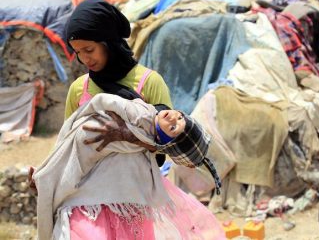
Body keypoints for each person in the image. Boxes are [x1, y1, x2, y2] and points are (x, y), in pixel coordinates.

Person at [32, 93, 224, 240]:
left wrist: (134, 138)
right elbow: (99, 104)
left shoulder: (143, 144)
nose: (174, 119)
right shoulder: (142, 111)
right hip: (88, 190)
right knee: (54, 176)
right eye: (180, 118)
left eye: (173, 129)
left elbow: (148, 143)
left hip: (120, 204)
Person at [64, 0, 172, 166]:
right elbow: (66, 144)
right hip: (91, 189)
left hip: (138, 187)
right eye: (78, 52)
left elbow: (171, 143)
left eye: (89, 49)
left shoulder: (149, 82)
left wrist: (127, 136)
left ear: (109, 42)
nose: (85, 59)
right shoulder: (79, 88)